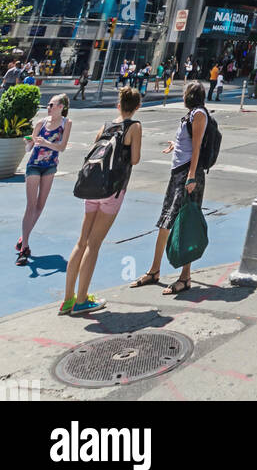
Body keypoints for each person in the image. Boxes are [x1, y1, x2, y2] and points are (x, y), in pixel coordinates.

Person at [60, 87, 142, 315]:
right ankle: (83, 299)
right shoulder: (134, 126)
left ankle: (68, 299)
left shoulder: (106, 125)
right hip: (113, 190)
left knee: (82, 241)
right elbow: (134, 159)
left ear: (119, 105)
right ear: (137, 107)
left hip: (92, 188)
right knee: (94, 244)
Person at [129, 81, 208, 296]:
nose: (183, 95)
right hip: (178, 174)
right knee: (165, 221)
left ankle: (185, 277)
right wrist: (176, 146)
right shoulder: (191, 115)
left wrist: (191, 176)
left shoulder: (199, 114)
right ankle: (154, 271)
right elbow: (189, 143)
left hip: (188, 176)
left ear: (191, 95)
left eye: (185, 92)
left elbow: (198, 146)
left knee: (185, 224)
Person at [16, 94, 72, 265]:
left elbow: (61, 147)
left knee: (40, 205)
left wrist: (45, 142)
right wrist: (28, 142)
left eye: (52, 104)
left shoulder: (66, 123)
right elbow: (29, 148)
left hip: (50, 166)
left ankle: (23, 237)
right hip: (34, 165)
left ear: (61, 107)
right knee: (31, 205)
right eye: (48, 105)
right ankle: (25, 247)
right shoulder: (41, 123)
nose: (48, 107)